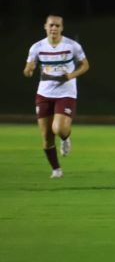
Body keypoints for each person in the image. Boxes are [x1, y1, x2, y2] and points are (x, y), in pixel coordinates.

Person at [23, 15, 90, 178]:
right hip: (44, 93)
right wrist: (29, 70)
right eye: (51, 25)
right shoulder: (36, 47)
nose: (54, 28)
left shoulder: (72, 46)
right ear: (45, 27)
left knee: (58, 128)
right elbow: (27, 70)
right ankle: (56, 170)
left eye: (57, 26)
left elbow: (86, 65)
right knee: (46, 137)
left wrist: (71, 75)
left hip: (66, 92)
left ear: (62, 28)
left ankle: (66, 138)